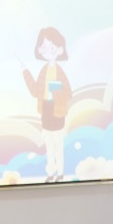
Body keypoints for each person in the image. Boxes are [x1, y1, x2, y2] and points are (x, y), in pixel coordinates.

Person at [21, 26, 73, 182]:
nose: (47, 51)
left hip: (58, 111)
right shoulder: (43, 70)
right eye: (43, 47)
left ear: (60, 49)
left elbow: (68, 93)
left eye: (51, 47)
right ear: (39, 50)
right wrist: (25, 72)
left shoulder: (60, 71)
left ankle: (61, 173)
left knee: (58, 144)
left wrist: (55, 89)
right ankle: (51, 173)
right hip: (46, 110)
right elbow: (35, 91)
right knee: (49, 145)